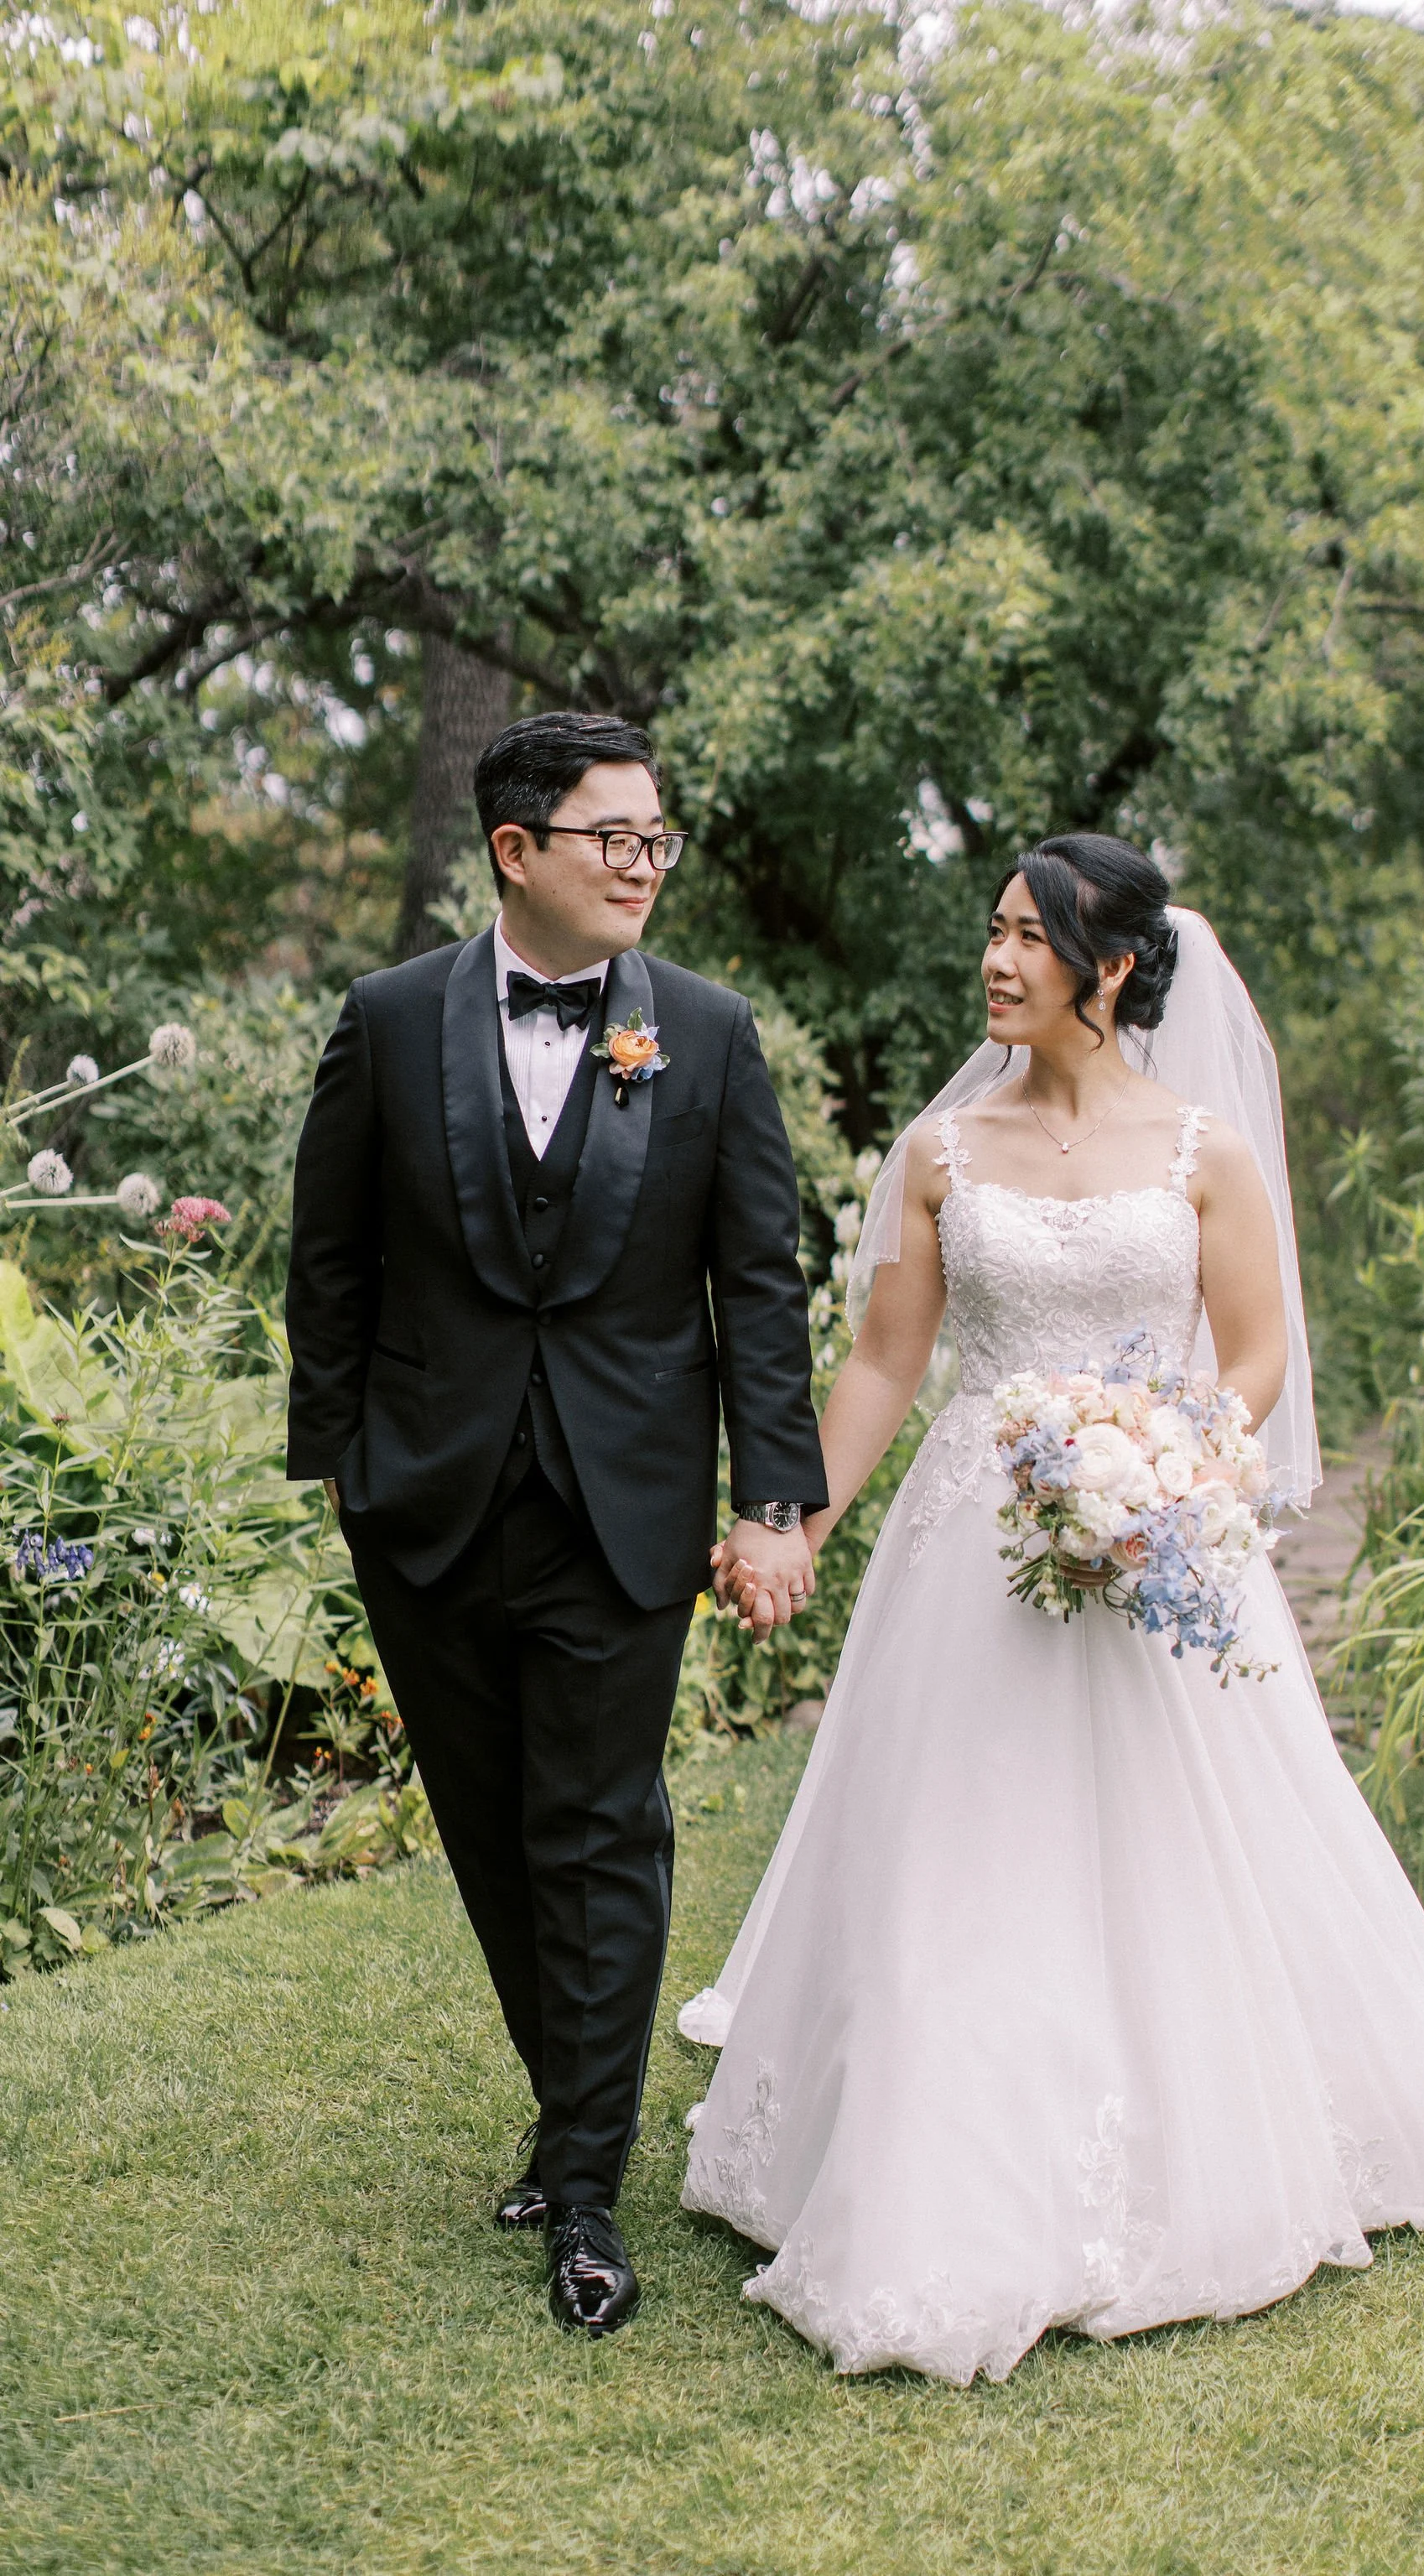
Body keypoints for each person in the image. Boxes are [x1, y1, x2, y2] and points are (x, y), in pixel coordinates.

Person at [682, 832, 1424, 2386]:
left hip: (1159, 1534)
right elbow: (892, 1359)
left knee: (1189, 1850)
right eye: (993, 930)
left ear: (1112, 966)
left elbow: (1253, 1358)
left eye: (1032, 938)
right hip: (973, 1540)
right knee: (959, 1842)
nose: (997, 961)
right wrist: (795, 1521)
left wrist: (1166, 1467)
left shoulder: (1204, 1154)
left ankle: (1200, 2138)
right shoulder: (942, 1155)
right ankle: (929, 2149)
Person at [285, 710, 825, 2338]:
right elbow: (330, 1260)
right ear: (517, 850)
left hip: (627, 1501)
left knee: (599, 1827)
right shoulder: (387, 1022)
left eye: (658, 836)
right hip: (427, 1502)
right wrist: (340, 1467)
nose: (645, 863)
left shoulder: (711, 1037)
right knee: (492, 1824)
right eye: (614, 837)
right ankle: (567, 2104)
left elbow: (760, 1282)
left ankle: (583, 2183)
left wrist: (771, 1495)